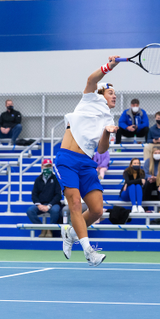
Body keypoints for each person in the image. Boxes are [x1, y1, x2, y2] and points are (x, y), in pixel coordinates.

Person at [55, 55, 120, 267]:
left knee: (97, 210)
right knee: (74, 202)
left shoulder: (110, 120)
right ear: (101, 93)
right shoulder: (89, 98)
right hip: (67, 158)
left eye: (116, 94)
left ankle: (70, 232)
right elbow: (91, 80)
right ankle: (88, 250)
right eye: (111, 92)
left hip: (86, 163)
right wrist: (110, 66)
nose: (115, 96)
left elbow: (102, 149)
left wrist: (107, 133)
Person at [27, 159, 62, 238]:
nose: (48, 168)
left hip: (53, 204)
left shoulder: (56, 179)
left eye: (49, 166)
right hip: (41, 204)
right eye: (46, 166)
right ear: (42, 167)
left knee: (55, 210)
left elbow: (58, 195)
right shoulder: (38, 180)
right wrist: (39, 205)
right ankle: (42, 228)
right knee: (30, 211)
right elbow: (34, 194)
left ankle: (50, 229)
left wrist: (49, 205)